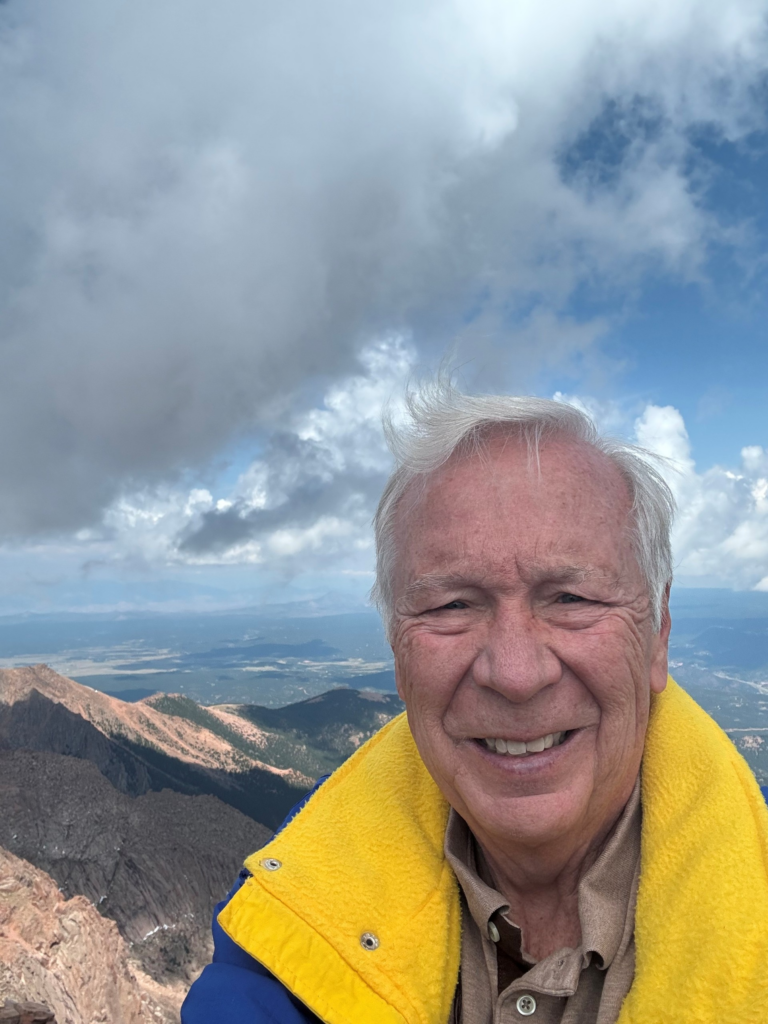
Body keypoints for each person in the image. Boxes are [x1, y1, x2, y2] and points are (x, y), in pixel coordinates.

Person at [181, 387, 768, 1024]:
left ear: (658, 633)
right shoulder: (289, 924)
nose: (516, 675)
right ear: (398, 654)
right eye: (452, 605)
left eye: (571, 597)